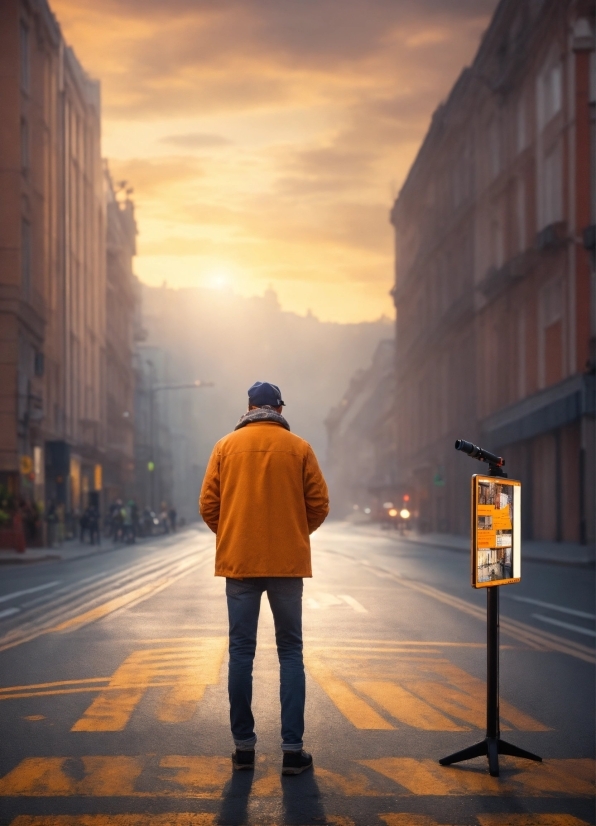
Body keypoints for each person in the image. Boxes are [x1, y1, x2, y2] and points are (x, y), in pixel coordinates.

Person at [200, 381, 329, 775]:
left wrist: (234, 534)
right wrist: (293, 533)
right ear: (278, 408)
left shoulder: (225, 447)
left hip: (240, 564)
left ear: (250, 407)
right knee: (290, 652)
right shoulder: (300, 448)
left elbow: (208, 504)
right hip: (287, 566)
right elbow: (320, 504)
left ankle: (243, 750)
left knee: (241, 652)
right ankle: (292, 751)